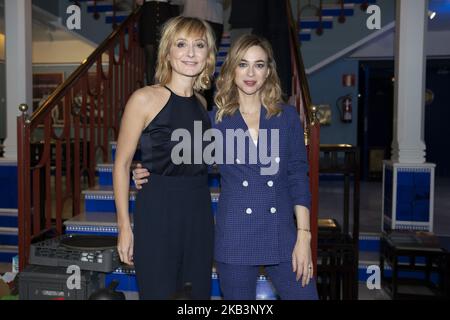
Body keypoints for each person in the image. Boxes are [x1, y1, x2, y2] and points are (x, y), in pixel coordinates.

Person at [133, 34, 318, 300]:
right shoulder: (214, 121)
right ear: (231, 70)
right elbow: (179, 158)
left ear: (269, 72)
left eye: (259, 64)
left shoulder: (286, 117)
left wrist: (304, 235)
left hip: (282, 234)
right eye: (243, 64)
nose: (251, 73)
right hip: (235, 236)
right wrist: (142, 168)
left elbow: (298, 177)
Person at [113, 16, 217, 300]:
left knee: (196, 298)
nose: (191, 53)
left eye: (199, 45)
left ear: (208, 55)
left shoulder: (202, 103)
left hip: (199, 213)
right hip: (158, 212)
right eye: (181, 44)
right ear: (168, 52)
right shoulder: (144, 99)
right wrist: (124, 227)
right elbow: (121, 165)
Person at [136, 0, 177, 85]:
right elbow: (139, 2)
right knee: (150, 55)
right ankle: (150, 88)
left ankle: (165, 85)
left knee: (164, 54)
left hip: (164, 12)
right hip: (148, 12)